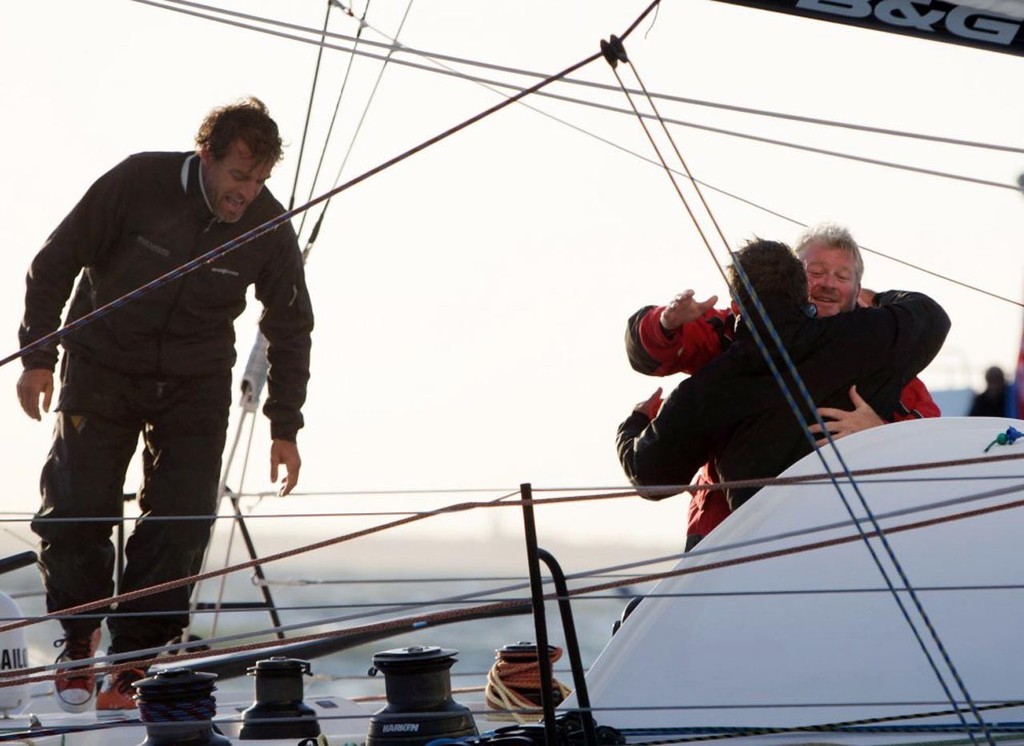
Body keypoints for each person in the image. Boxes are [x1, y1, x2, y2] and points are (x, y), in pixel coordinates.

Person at [16, 97, 314, 712]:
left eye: (260, 180)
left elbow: (291, 324)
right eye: (238, 176)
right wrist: (38, 358)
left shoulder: (267, 224)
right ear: (205, 155)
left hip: (195, 381)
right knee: (76, 507)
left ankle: (132, 662)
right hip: (102, 366)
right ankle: (78, 637)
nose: (247, 193)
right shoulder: (137, 182)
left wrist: (284, 425)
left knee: (182, 518)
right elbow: (54, 263)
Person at [624, 223, 939, 549]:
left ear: (859, 290)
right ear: (795, 279)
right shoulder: (730, 332)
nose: (828, 283)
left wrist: (879, 435)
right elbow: (649, 352)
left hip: (848, 536)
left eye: (842, 277)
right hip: (721, 534)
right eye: (815, 272)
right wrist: (666, 322)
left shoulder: (882, 351)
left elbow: (937, 455)